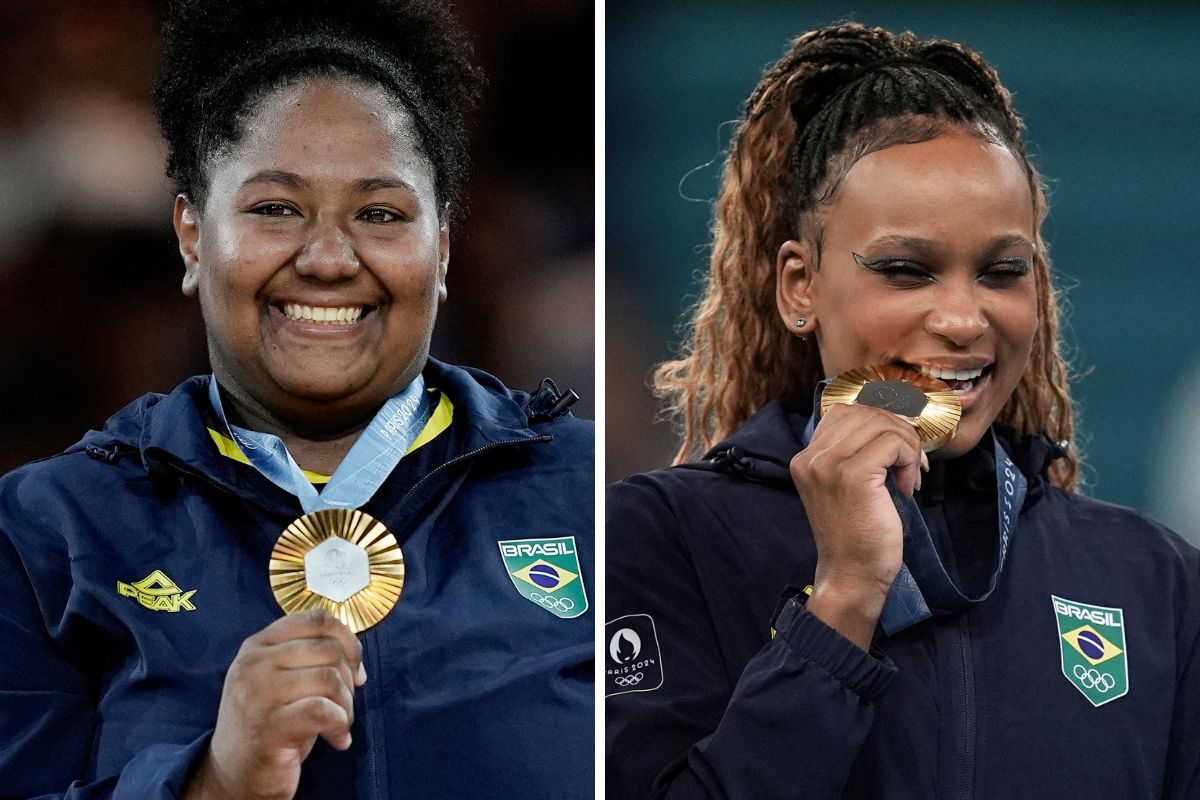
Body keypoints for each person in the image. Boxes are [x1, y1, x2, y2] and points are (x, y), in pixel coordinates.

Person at [0, 1, 593, 797]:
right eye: (275, 208)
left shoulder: (589, 497)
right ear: (192, 236)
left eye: (380, 214)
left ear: (443, 248)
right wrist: (210, 782)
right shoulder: (48, 532)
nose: (326, 258)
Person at [605, 23, 1200, 799]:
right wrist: (844, 598)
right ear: (800, 286)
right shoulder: (661, 539)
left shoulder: (1153, 581)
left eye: (1001, 271)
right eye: (906, 270)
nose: (962, 318)